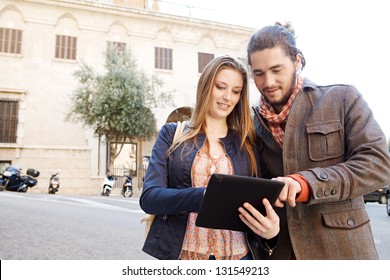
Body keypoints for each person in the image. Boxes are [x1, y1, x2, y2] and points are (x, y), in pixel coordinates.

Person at [244, 22, 390, 259]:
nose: (268, 82)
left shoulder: (343, 99)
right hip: (281, 255)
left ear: (297, 61)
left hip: (344, 254)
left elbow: (378, 165)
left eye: (277, 69)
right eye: (259, 73)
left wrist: (307, 183)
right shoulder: (251, 126)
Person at [140, 55, 279, 260]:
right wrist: (203, 197)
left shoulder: (248, 144)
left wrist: (271, 233)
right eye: (221, 87)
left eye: (235, 91)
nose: (227, 97)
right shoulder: (171, 134)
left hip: (240, 258)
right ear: (206, 86)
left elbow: (260, 203)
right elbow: (150, 198)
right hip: (184, 257)